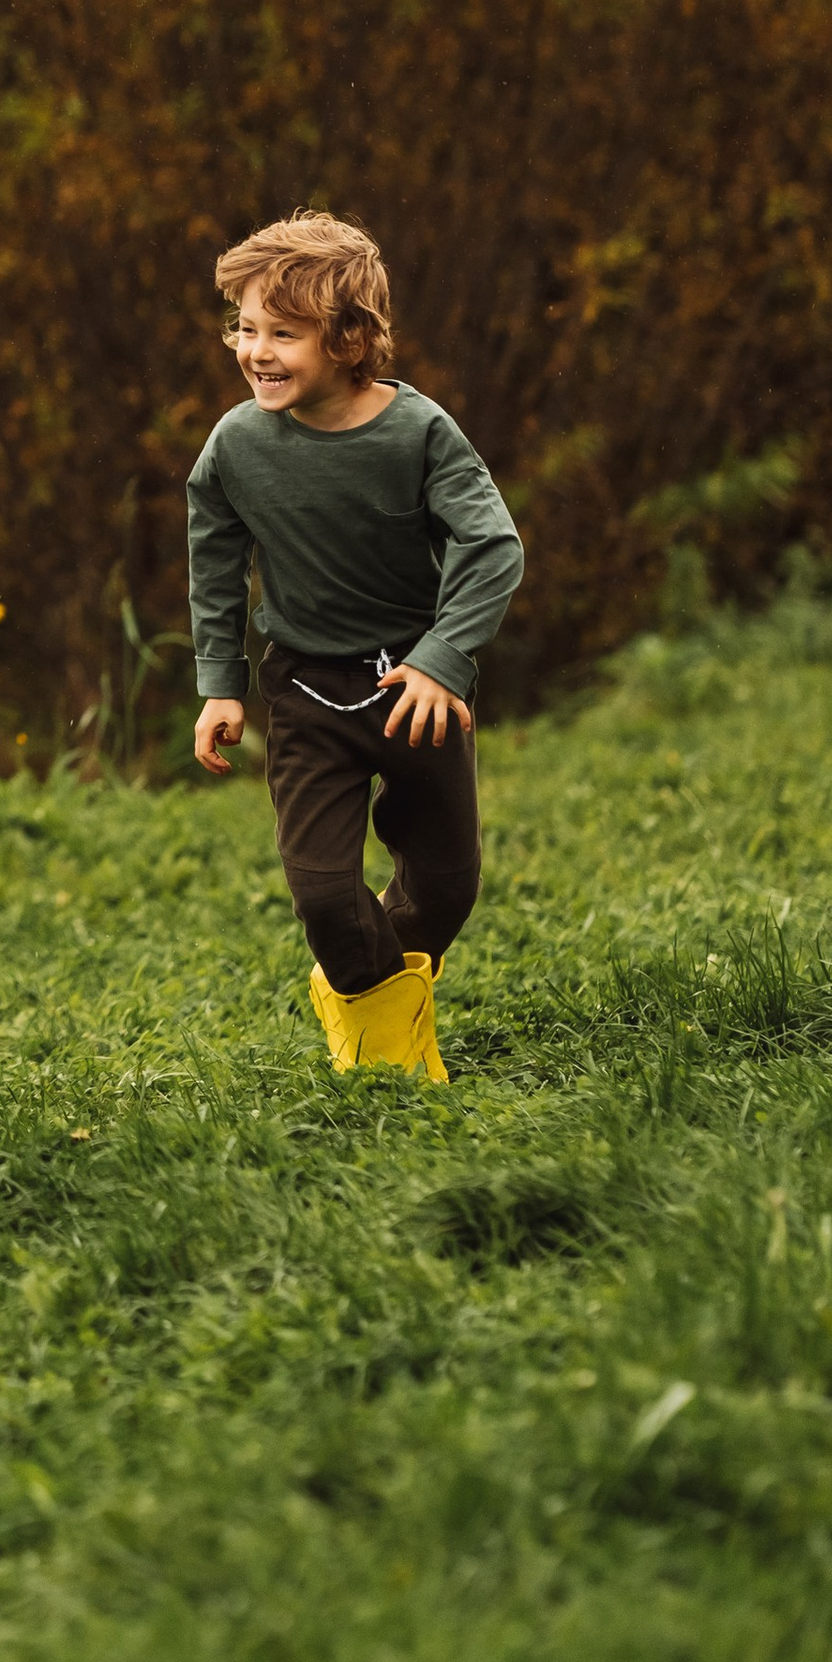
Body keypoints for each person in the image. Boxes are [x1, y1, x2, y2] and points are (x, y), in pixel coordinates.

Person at [186, 210, 521, 1081]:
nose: (256, 351)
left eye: (282, 334)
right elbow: (214, 560)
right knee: (326, 896)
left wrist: (443, 660)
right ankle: (387, 1065)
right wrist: (220, 682)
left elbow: (493, 546)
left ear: (350, 339)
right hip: (306, 693)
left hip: (419, 688)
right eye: (245, 329)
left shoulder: (419, 433)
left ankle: (369, 990)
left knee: (445, 887)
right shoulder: (236, 445)